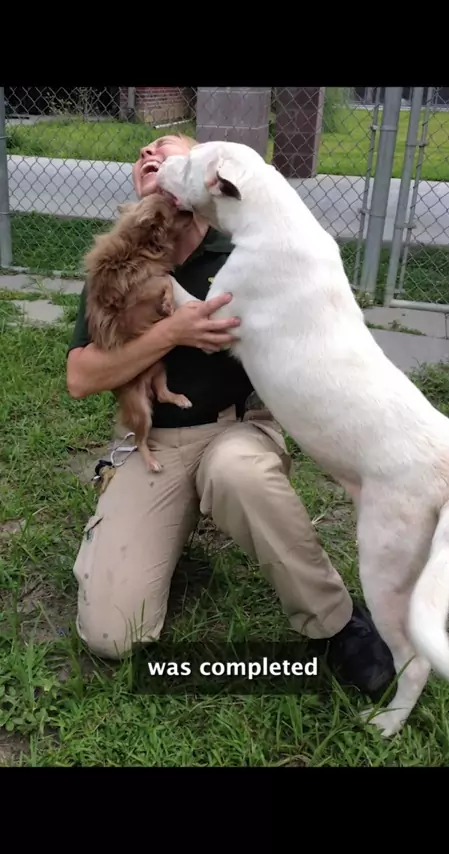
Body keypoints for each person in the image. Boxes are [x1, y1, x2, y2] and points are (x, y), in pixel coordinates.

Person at [66, 133, 395, 701]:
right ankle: (162, 525)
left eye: (165, 148)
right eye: (141, 154)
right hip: (156, 443)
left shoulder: (245, 249)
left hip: (237, 427)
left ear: (204, 177)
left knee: (237, 473)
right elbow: (80, 377)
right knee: (111, 635)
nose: (148, 156)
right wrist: (173, 331)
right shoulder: (120, 257)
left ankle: (337, 623)